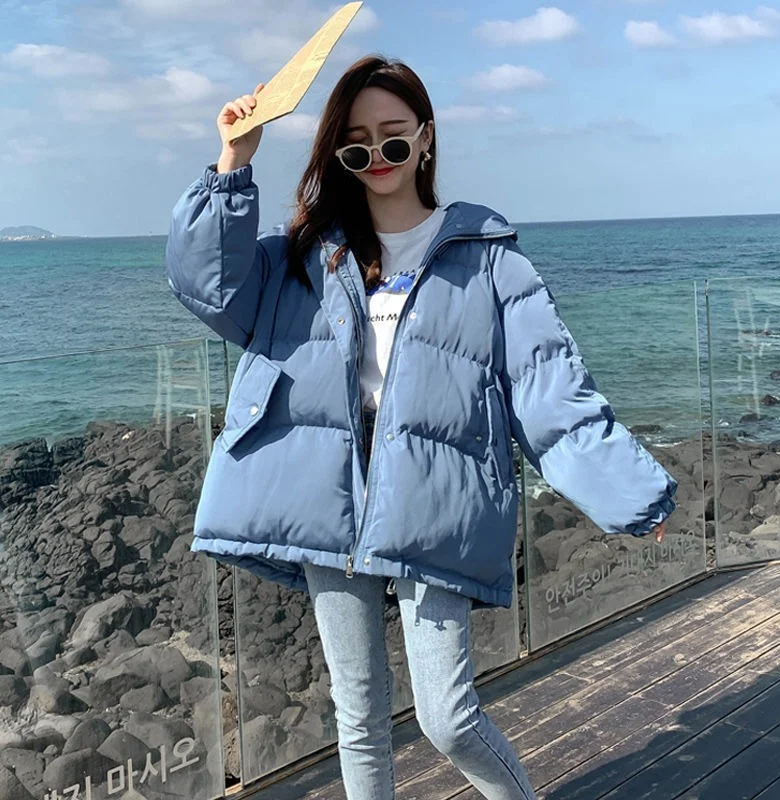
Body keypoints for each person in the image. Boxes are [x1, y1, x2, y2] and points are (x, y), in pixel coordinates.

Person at [166, 55, 675, 800]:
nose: (378, 157)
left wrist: (631, 492)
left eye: (395, 138)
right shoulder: (305, 255)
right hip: (327, 495)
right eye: (356, 146)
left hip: (435, 494)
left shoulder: (488, 259)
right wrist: (233, 161)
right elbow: (208, 286)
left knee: (449, 716)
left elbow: (547, 389)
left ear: (427, 138)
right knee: (358, 715)